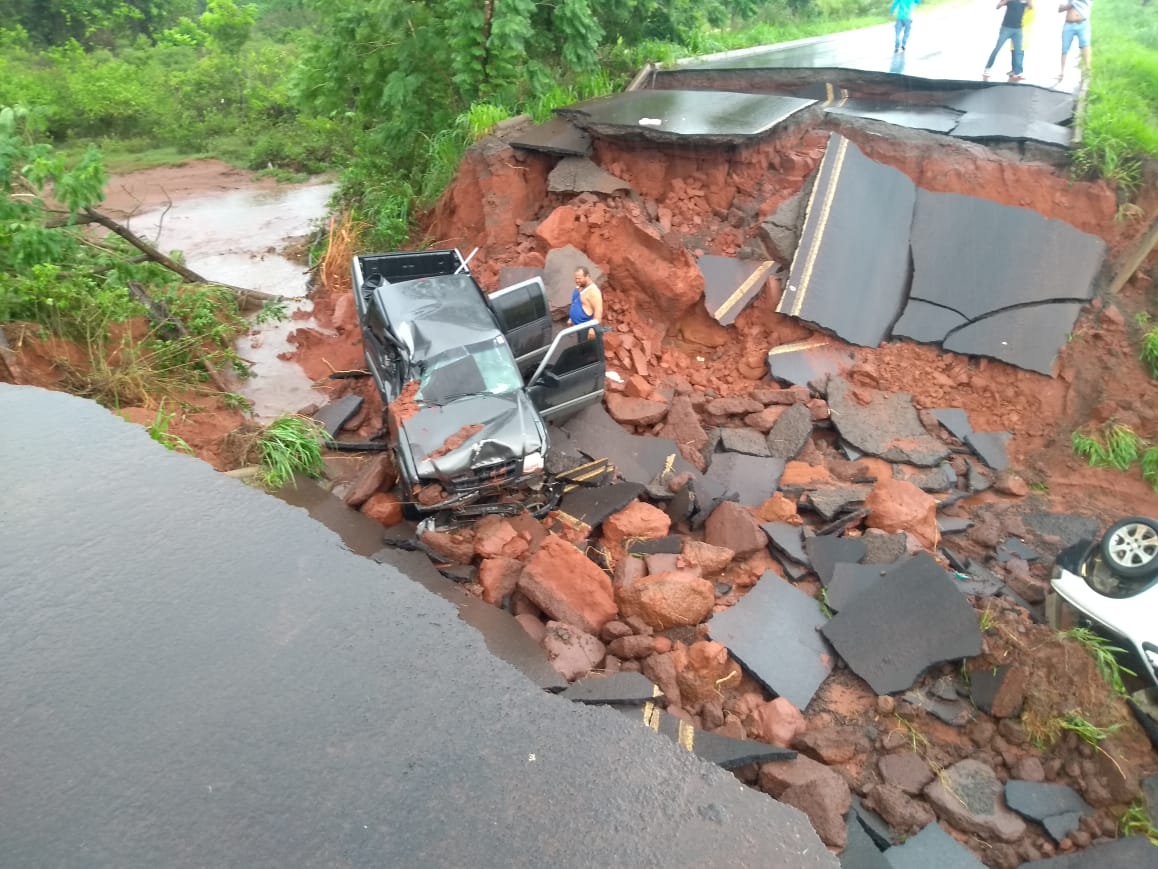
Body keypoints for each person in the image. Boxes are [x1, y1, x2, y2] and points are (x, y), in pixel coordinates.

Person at [983, 0, 1033, 82]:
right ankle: (987, 69)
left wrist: (1028, 2)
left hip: (1018, 29)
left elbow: (1031, 8)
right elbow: (997, 7)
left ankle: (1018, 72)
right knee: (997, 49)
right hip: (1006, 28)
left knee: (1018, 51)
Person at [1056, 0, 1092, 82]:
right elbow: (1060, 8)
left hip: (1082, 23)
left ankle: (1087, 71)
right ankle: (1061, 72)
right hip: (1069, 23)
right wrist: (1068, 6)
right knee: (1064, 48)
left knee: (1085, 46)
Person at [568, 266, 603, 338]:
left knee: (586, 348)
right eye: (576, 278)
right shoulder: (580, 286)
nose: (577, 281)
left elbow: (598, 312)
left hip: (587, 331)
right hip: (579, 328)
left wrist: (593, 328)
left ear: (587, 277)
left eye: (579, 278)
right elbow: (575, 301)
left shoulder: (594, 292)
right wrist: (571, 318)